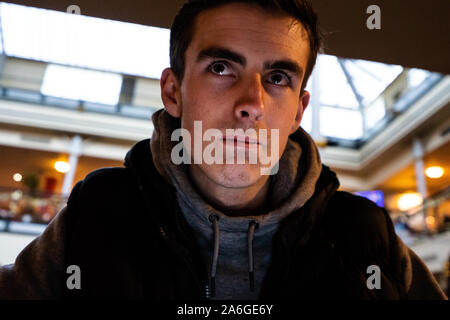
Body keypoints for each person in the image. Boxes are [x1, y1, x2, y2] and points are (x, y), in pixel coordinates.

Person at [0, 0, 447, 300]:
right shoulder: (99, 209)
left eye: (277, 78)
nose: (251, 104)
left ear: (297, 112)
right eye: (221, 67)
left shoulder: (362, 232)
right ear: (173, 92)